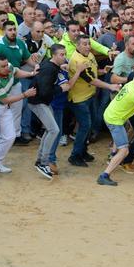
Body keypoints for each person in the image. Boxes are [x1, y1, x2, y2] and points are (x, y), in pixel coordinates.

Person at [27, 43, 85, 179]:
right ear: (54, 55)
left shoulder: (51, 64)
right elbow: (45, 91)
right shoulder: (50, 69)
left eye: (65, 54)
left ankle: (41, 160)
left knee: (51, 129)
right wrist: (61, 89)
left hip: (40, 101)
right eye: (61, 55)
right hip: (38, 102)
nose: (64, 57)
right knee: (54, 130)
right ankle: (43, 162)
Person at [0, 53, 38, 182]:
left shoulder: (9, 66)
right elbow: (5, 100)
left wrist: (32, 74)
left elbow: (16, 71)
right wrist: (24, 95)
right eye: (3, 66)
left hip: (2, 106)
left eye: (7, 65)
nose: (7, 68)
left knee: (10, 135)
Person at [68, 35, 120, 167]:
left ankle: (83, 151)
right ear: (77, 46)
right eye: (84, 44)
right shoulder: (77, 60)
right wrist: (109, 86)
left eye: (88, 44)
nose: (87, 46)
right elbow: (91, 80)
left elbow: (94, 73)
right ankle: (75, 155)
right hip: (79, 99)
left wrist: (103, 71)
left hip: (89, 95)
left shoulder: (89, 55)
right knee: (85, 126)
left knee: (88, 126)